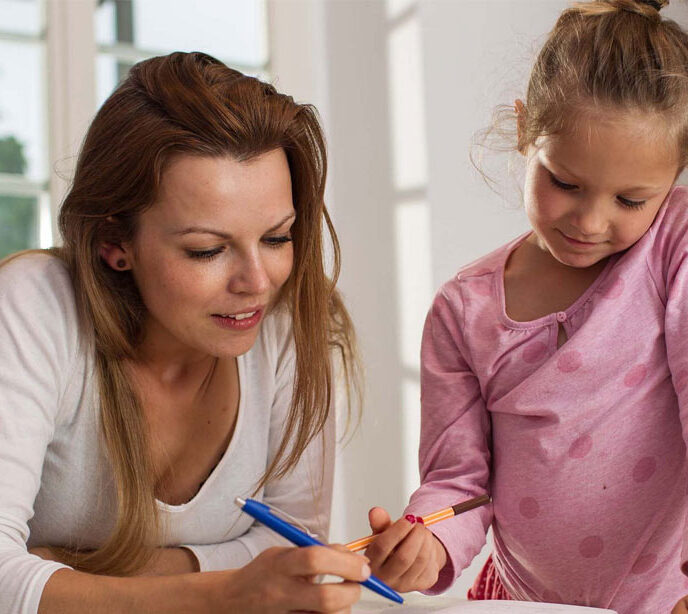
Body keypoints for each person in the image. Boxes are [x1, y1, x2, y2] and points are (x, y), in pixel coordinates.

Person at [0, 51, 369, 614]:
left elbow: (291, 544)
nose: (257, 282)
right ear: (114, 244)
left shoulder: (289, 326)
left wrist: (79, 568)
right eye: (207, 250)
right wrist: (224, 586)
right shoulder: (35, 304)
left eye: (277, 238)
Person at [360, 1, 688, 613]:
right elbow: (459, 483)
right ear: (523, 131)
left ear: (673, 180)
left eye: (632, 199)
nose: (590, 222)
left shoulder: (675, 244)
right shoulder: (464, 309)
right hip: (523, 602)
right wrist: (425, 543)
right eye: (565, 182)